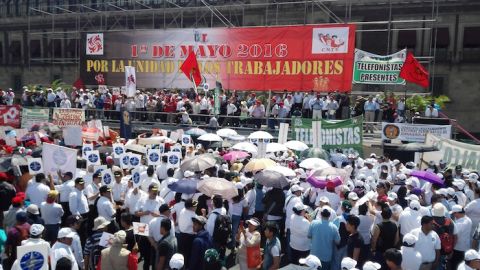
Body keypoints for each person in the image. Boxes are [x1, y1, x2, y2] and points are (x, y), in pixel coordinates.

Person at [177, 199, 198, 268]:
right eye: (195, 206)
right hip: (190, 238)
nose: (196, 207)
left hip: (181, 236)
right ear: (190, 207)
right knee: (188, 256)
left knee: (181, 256)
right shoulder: (193, 215)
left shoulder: (183, 210)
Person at [450, 205, 472, 269]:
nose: (453, 215)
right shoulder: (467, 219)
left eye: (453, 213)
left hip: (458, 249)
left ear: (456, 213)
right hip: (465, 247)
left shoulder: (460, 223)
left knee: (455, 266)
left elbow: (454, 235)